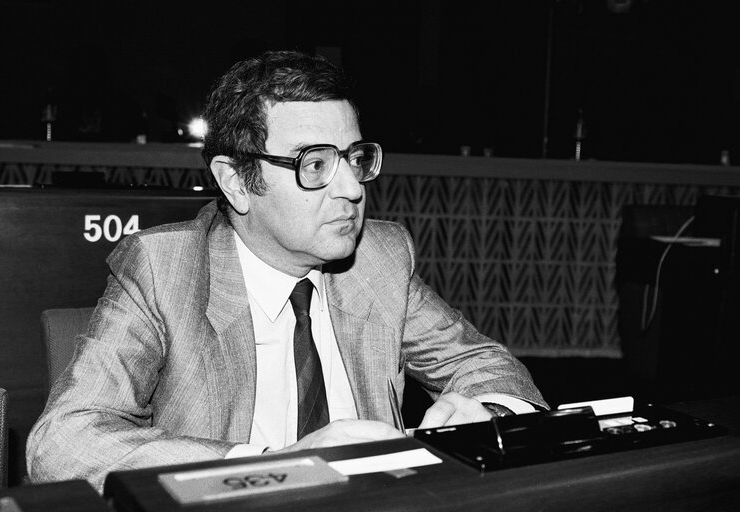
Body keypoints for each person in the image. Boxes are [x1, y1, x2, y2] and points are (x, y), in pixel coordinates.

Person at [27, 50, 547, 492]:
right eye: (315, 164)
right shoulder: (166, 270)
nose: (351, 189)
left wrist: (491, 414)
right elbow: (63, 444)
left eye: (355, 158)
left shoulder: (378, 258)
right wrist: (273, 466)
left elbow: (490, 368)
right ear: (235, 182)